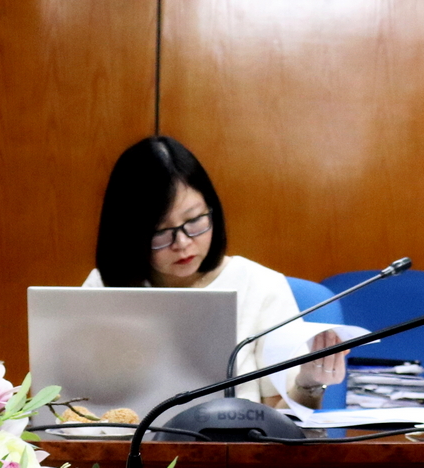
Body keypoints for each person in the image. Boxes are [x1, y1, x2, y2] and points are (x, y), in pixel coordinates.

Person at [84, 136, 347, 408]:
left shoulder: (260, 286)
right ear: (128, 234)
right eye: (161, 231)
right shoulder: (102, 288)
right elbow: (77, 401)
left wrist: (308, 385)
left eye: (194, 220)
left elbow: (280, 416)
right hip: (126, 435)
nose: (182, 242)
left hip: (234, 436)